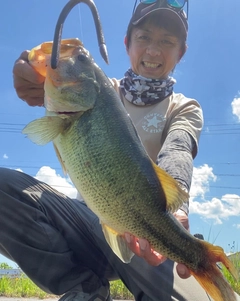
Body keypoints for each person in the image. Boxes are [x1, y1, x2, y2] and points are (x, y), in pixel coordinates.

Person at [1, 0, 239, 300]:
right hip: (84, 226)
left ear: (182, 52)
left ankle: (198, 262)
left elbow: (179, 150)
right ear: (127, 43)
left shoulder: (185, 108)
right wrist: (32, 78)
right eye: (144, 38)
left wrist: (175, 210)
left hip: (143, 236)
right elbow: (49, 90)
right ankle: (83, 290)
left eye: (167, 41)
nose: (153, 50)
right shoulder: (102, 90)